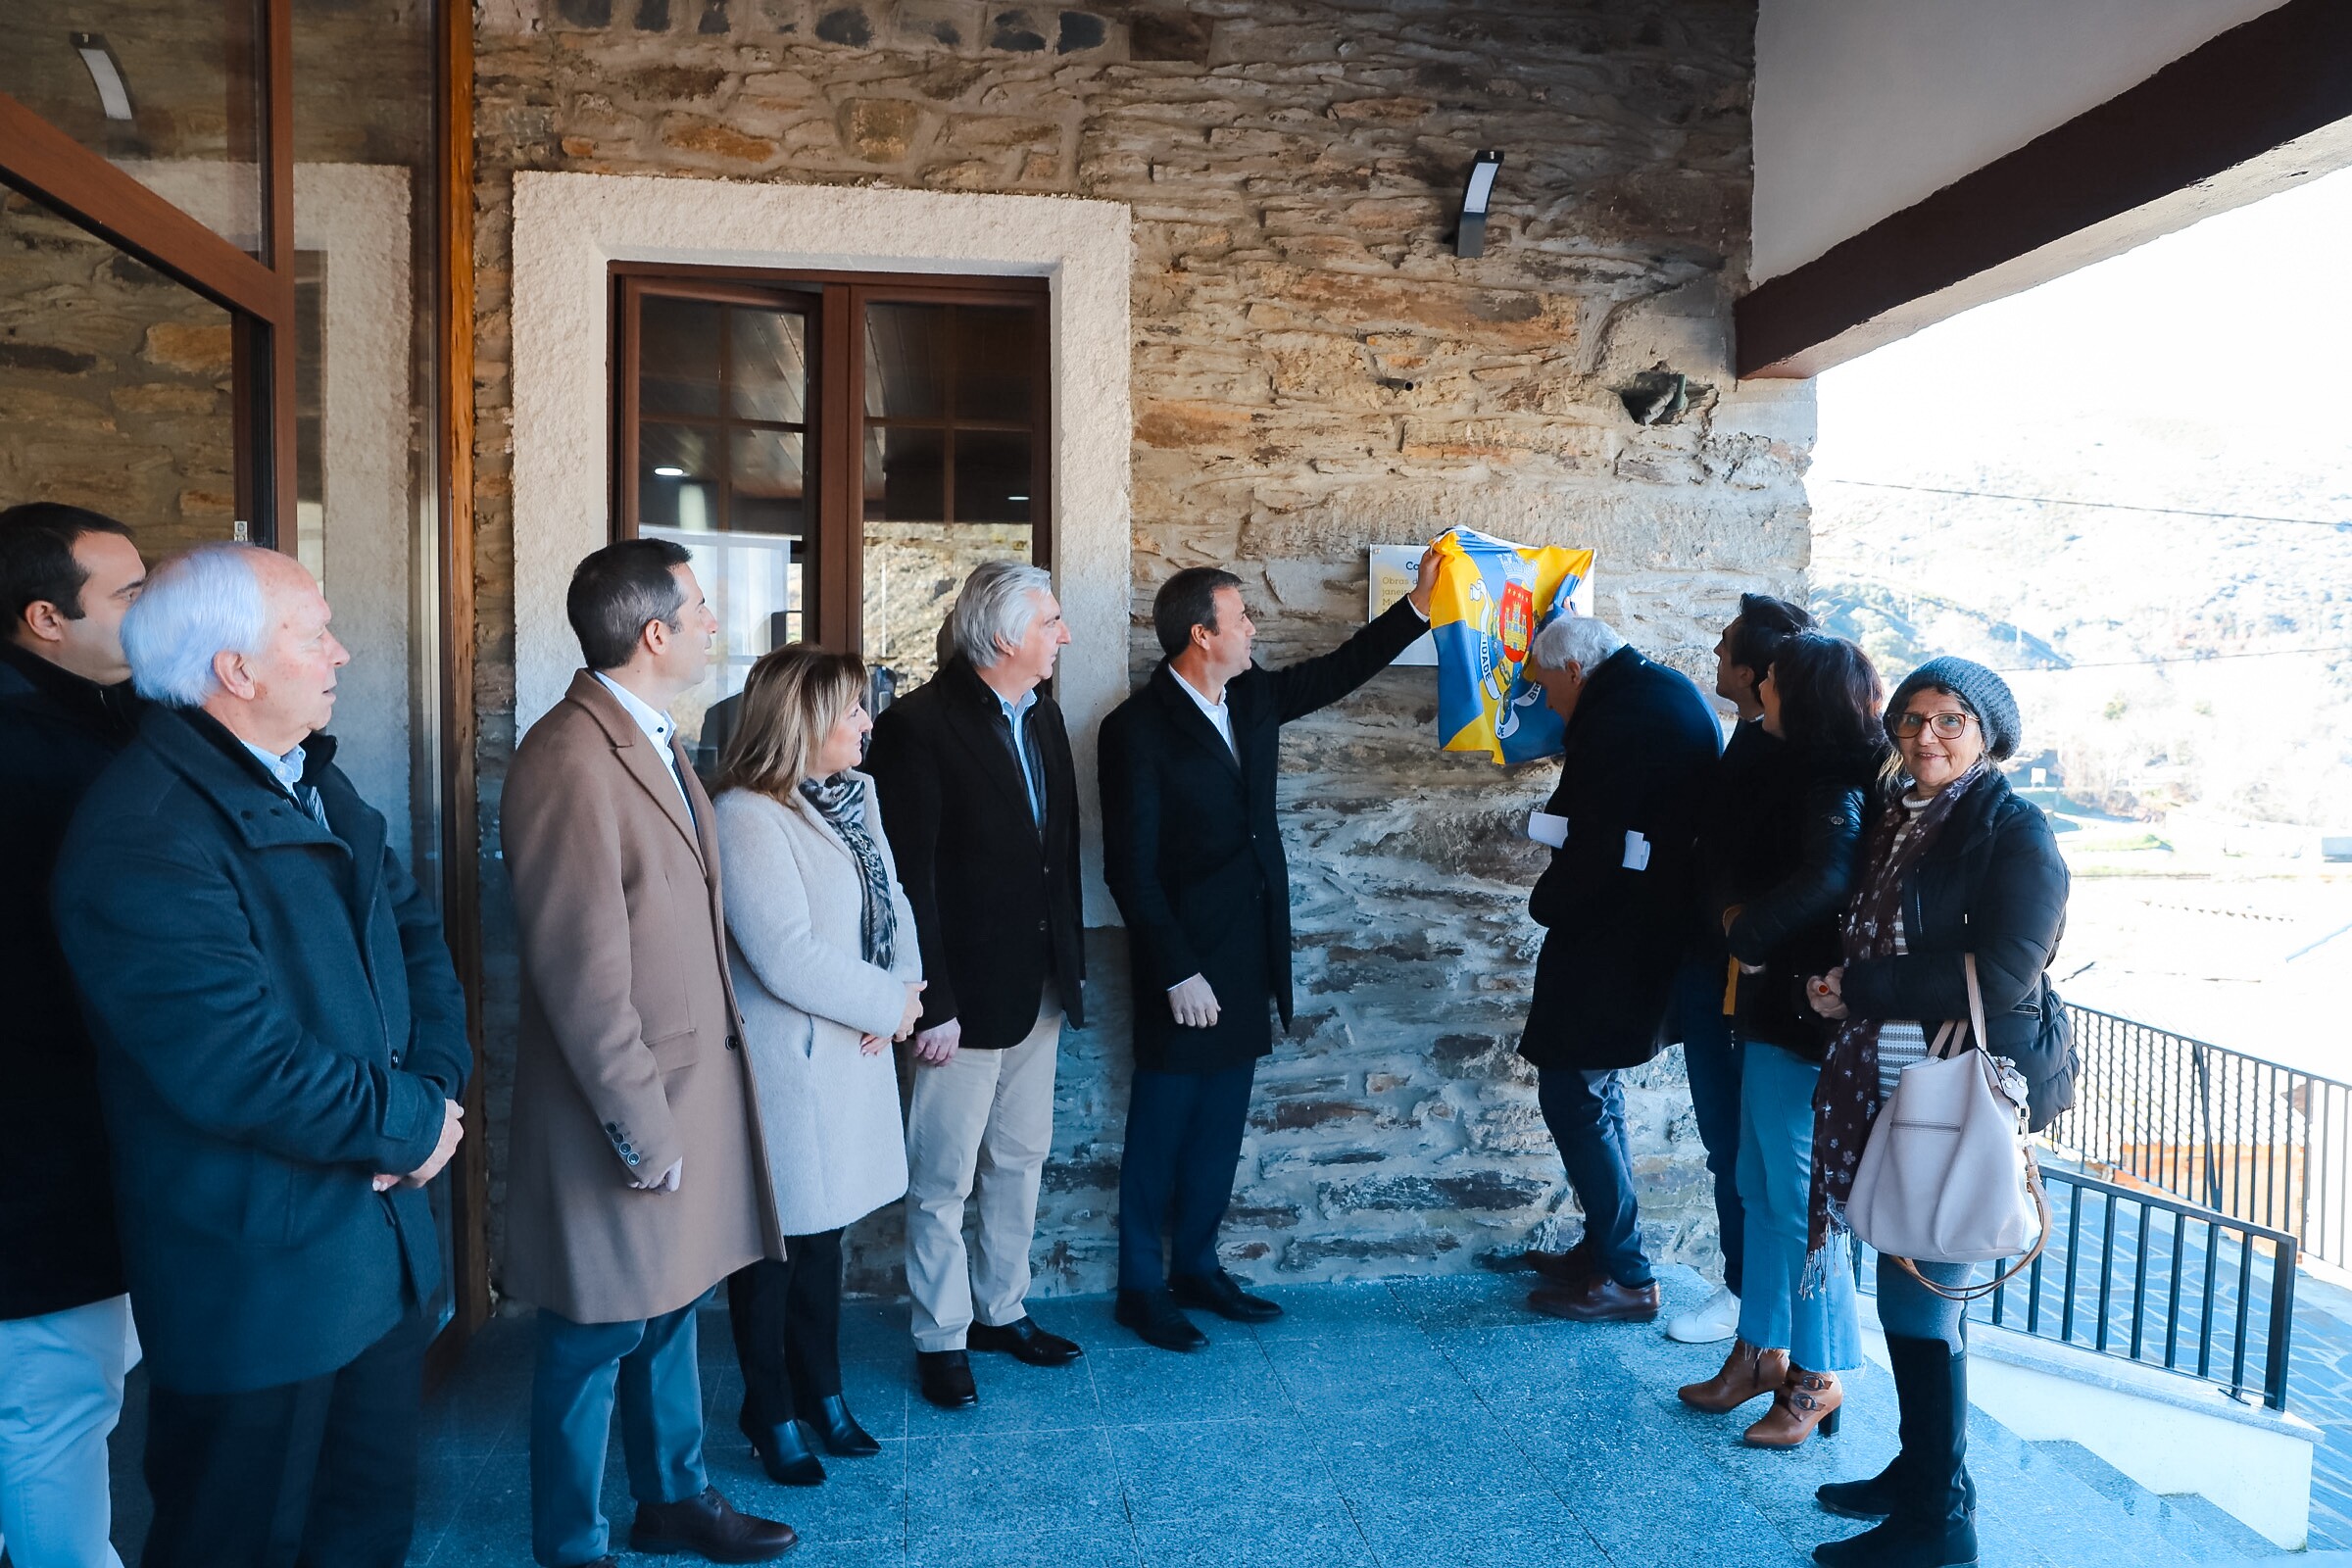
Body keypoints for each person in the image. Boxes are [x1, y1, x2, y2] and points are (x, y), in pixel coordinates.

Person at [50, 543, 470, 1568]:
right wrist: (411, 1125)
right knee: (240, 1537)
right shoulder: (144, 833)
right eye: (312, 632)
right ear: (236, 669)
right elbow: (234, 1060)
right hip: (257, 1281)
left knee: (364, 1529)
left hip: (367, 1256)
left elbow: (419, 942)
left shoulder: (317, 785)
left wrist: (436, 1090)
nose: (342, 651)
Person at [501, 538, 796, 1568]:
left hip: (684, 1087)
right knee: (592, 1333)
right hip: (621, 1102)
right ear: (654, 631)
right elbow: (579, 971)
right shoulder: (567, 757)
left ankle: (673, 1499)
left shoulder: (657, 740)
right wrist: (640, 1121)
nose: (718, 624)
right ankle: (571, 1544)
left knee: (669, 1307)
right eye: (704, 607)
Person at [1099, 549, 1440, 1350]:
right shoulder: (1134, 730)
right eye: (1241, 616)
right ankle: (1141, 1288)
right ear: (1198, 635)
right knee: (1160, 1127)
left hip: (1249, 952)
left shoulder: (1250, 698)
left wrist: (1418, 607)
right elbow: (1128, 868)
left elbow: (1337, 671)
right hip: (1181, 962)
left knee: (1221, 1123)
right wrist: (1177, 968)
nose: (1255, 626)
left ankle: (1198, 1266)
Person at [1805, 657, 2073, 1568]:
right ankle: (1922, 1473)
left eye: (1951, 720)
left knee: (1921, 1305)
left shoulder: (2013, 829)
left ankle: (1938, 1521)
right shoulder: (1901, 821)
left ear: (1989, 733)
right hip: (1893, 1083)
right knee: (1907, 1292)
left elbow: (2003, 973)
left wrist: (1864, 987)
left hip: (1955, 1091)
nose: (1927, 736)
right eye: (1912, 719)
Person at [865, 563, 1089, 1411]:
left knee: (1020, 1161)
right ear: (1004, 637)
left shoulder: (1047, 719)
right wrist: (934, 1001)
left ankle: (1001, 1310)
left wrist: (1067, 970)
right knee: (942, 1178)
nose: (1063, 637)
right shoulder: (917, 727)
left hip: (1037, 988)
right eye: (1052, 623)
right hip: (959, 1002)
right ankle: (941, 1335)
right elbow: (907, 880)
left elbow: (1055, 857)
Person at [713, 647, 923, 1485]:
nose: (868, 724)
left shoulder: (855, 796)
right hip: (792, 1062)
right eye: (852, 712)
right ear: (800, 723)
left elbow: (892, 902)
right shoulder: (744, 814)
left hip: (854, 1045)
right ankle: (770, 1409)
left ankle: (822, 1393)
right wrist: (884, 1004)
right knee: (775, 1251)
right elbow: (785, 956)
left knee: (825, 1240)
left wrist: (903, 990)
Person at [1678, 633, 1884, 1447]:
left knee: (1804, 1205)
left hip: (1813, 1014)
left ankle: (1818, 1375)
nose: (1758, 689)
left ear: (1804, 694)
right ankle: (1760, 1351)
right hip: (1773, 1006)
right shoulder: (1788, 761)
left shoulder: (1839, 776)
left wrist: (1746, 932)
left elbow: (1830, 874)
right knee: (1759, 1184)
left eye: (1771, 681)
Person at [0, 505, 145, 1568]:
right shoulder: (44, 762)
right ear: (46, 617)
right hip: (39, 1164)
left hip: (54, 1154)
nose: (153, 616)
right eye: (129, 595)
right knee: (55, 1413)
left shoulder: (89, 731)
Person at [1515, 614, 1721, 1324]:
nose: (1546, 700)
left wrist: (1550, 903)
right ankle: (1606, 1246)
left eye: (1546, 685)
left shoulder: (1621, 713)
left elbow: (1602, 840)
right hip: (1639, 929)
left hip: (1616, 936)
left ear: (1573, 671)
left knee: (1573, 1092)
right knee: (1592, 1092)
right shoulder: (1651, 689)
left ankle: (1628, 1273)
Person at [1644, 593, 1817, 1346]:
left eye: (1724, 649)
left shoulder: (1801, 762)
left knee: (1758, 1152)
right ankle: (1748, 1295)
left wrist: (1736, 929)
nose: (1713, 658)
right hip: (1709, 968)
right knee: (1726, 1142)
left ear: (1757, 673)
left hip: (1751, 982)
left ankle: (1758, 1304)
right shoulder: (1747, 738)